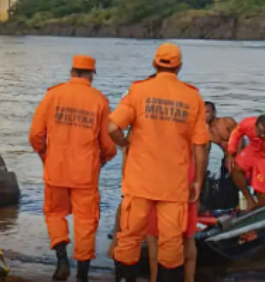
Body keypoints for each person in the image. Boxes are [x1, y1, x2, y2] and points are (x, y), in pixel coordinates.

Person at [108, 43, 210, 282]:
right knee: (171, 243)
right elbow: (200, 147)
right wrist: (197, 181)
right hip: (173, 185)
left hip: (139, 181)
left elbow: (112, 127)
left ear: (154, 64)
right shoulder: (192, 96)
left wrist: (125, 144)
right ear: (180, 67)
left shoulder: (138, 91)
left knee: (130, 237)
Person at [29, 55, 117, 282]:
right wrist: (103, 160)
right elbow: (108, 144)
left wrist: (45, 156)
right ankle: (82, 275)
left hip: (56, 169)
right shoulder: (99, 100)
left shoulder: (53, 95)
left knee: (54, 214)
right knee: (86, 222)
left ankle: (61, 261)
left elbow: (36, 135)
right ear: (91, 75)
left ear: (72, 72)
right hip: (85, 174)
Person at [145, 159, 198, 282]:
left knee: (153, 238)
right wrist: (198, 180)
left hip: (155, 179)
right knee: (188, 237)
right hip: (184, 176)